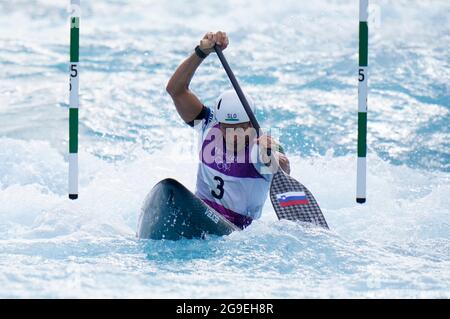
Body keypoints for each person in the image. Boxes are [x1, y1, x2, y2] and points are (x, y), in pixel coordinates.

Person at [166, 31, 290, 229]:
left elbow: (283, 168)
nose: (232, 135)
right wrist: (201, 52)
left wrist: (276, 156)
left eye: (239, 128)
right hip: (200, 213)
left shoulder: (261, 149)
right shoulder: (208, 125)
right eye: (226, 128)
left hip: (235, 234)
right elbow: (176, 90)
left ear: (250, 123)